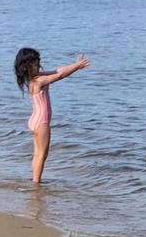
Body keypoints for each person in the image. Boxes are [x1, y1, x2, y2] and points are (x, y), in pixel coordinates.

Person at [14, 48, 90, 184]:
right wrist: (77, 66)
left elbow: (58, 71)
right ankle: (36, 183)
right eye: (37, 63)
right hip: (41, 122)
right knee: (42, 154)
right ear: (29, 64)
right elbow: (60, 76)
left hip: (34, 120)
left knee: (38, 154)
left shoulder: (33, 79)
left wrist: (74, 65)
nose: (39, 65)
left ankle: (34, 179)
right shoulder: (40, 81)